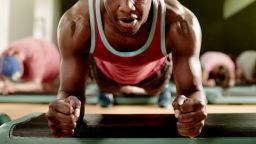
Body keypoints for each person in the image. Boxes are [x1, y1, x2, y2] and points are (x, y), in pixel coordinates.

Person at [46, 0, 207, 138]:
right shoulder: (76, 22)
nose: (127, 7)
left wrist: (192, 112)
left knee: (158, 89)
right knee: (104, 86)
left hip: (155, 77)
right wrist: (67, 111)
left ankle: (164, 90)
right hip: (105, 77)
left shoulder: (180, 22)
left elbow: (193, 90)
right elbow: (69, 92)